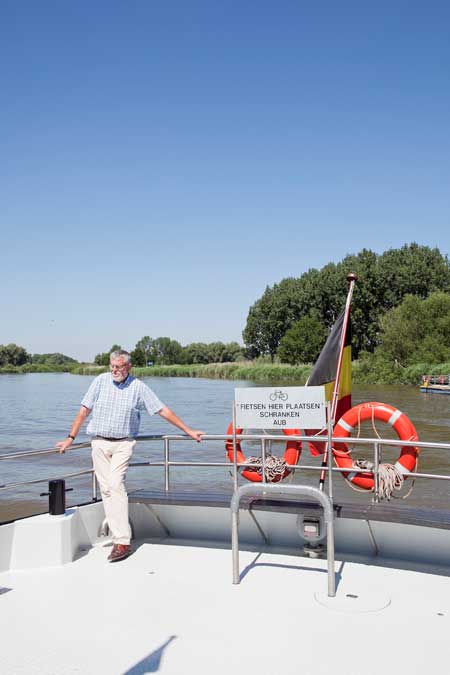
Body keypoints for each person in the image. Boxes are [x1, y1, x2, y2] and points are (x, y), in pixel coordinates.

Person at [56, 349, 204, 562]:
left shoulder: (138, 387)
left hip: (123, 444)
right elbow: (84, 410)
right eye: (112, 366)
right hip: (98, 442)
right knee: (107, 490)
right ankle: (118, 538)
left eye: (119, 367)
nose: (115, 370)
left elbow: (162, 410)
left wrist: (188, 430)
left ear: (129, 367)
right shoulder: (99, 381)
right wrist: (70, 437)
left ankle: (123, 542)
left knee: (115, 484)